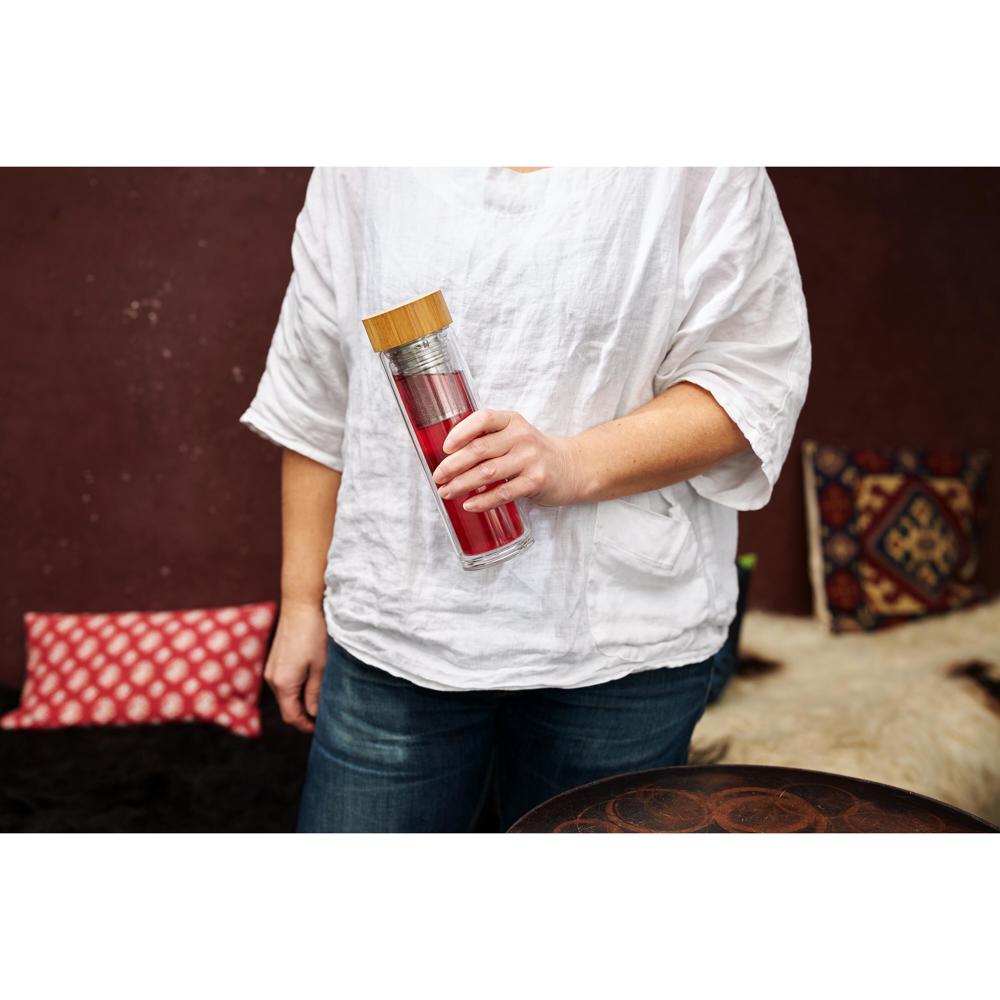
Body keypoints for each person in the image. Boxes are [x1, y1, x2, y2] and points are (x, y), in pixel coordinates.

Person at [240, 166, 811, 832]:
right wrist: (300, 604)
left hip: (618, 646)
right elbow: (316, 391)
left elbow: (750, 383)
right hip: (395, 629)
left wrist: (572, 464)